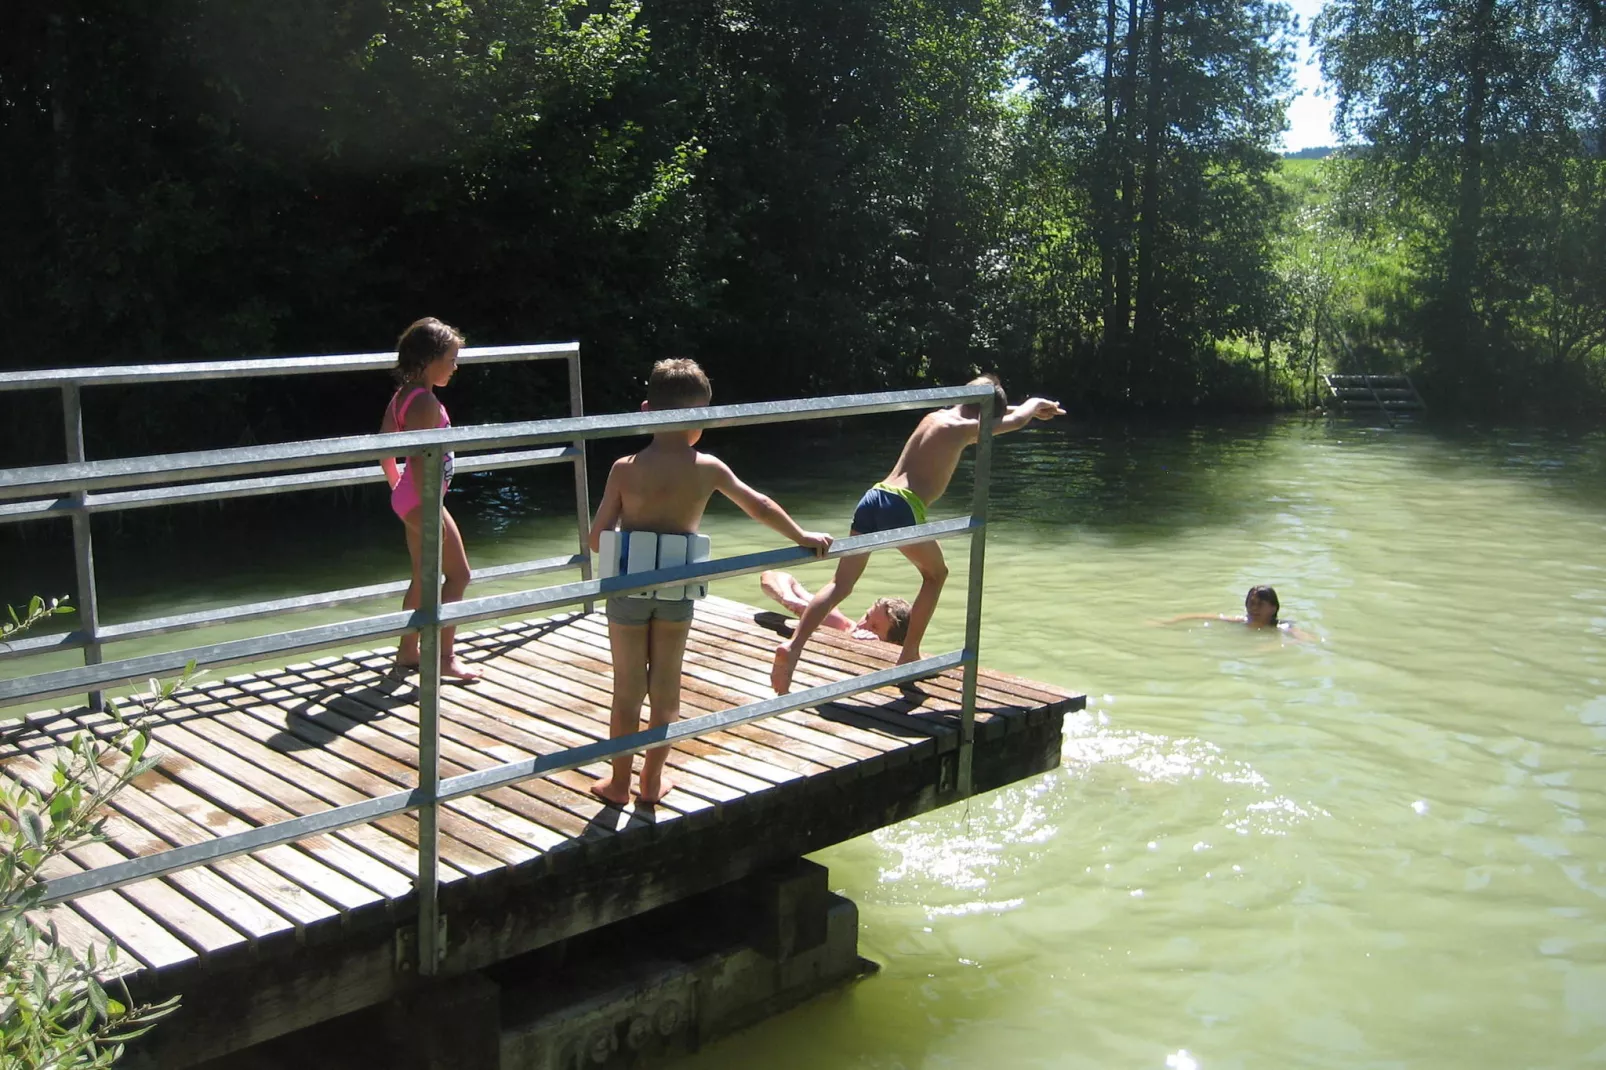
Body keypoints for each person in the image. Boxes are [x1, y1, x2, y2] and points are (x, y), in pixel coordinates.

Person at [587, 358, 832, 806]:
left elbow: (596, 540)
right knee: (665, 686)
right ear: (702, 420)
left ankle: (618, 783)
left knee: (627, 689)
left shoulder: (624, 468)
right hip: (678, 590)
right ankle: (651, 782)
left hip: (629, 590)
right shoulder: (709, 468)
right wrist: (802, 536)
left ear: (645, 411)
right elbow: (758, 504)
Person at [770, 374, 1064, 695]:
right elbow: (1014, 421)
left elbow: (991, 412)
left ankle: (794, 645)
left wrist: (1025, 408)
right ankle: (908, 656)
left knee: (841, 584)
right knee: (936, 575)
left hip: (873, 496)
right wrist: (1033, 404)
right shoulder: (962, 429)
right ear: (984, 415)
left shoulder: (936, 418)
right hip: (902, 505)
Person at [380, 317, 480, 681]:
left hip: (413, 498)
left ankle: (408, 652)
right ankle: (444, 656)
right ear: (428, 359)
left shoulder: (403, 396)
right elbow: (423, 462)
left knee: (425, 579)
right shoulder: (424, 403)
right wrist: (424, 509)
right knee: (459, 575)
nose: (455, 367)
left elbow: (385, 451)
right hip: (423, 501)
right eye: (451, 359)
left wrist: (398, 491)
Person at [759, 570, 911, 644]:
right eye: (866, 616)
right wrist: (788, 597)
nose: (862, 626)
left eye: (875, 627)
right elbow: (770, 577)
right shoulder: (839, 625)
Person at [1164, 585, 1314, 640]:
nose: (1254, 609)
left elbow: (1306, 639)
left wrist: (1272, 648)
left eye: (1260, 605)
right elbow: (1200, 616)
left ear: (1274, 608)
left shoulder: (1282, 627)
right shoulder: (1242, 621)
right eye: (1251, 604)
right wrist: (1171, 621)